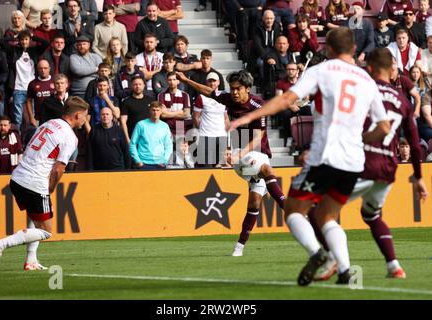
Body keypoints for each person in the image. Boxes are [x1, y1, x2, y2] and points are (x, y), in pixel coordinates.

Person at [227, 27, 391, 285]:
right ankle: (345, 271)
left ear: (327, 50)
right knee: (327, 215)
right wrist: (357, 140)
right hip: (354, 161)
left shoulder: (321, 71)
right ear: (354, 49)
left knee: (293, 210)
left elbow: (287, 99)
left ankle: (318, 254)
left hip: (325, 156)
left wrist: (249, 116)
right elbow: (384, 127)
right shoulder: (366, 80)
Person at [311, 47, 428, 280]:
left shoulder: (362, 91)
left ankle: (333, 258)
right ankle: (394, 266)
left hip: (362, 163)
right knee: (372, 215)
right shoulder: (404, 101)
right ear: (391, 69)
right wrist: (418, 176)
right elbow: (415, 145)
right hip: (388, 167)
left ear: (371, 68)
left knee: (316, 211)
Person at [177, 69, 286, 257]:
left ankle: (239, 247)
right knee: (267, 170)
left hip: (254, 152)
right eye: (232, 89)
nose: (234, 92)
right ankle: (291, 209)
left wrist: (241, 154)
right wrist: (186, 79)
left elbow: (259, 136)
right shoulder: (227, 98)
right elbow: (207, 91)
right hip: (240, 154)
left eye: (238, 89)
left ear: (248, 88)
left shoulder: (257, 106)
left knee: (254, 204)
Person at [0, 96, 89, 272]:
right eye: (85, 116)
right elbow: (58, 170)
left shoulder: (47, 124)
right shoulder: (70, 137)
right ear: (77, 115)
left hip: (18, 177)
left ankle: (31, 260)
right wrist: (49, 189)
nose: (85, 120)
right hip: (35, 182)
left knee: (35, 219)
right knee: (46, 231)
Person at [193, 72, 229, 168]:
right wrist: (203, 129)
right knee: (205, 167)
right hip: (206, 136)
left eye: (214, 81)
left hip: (222, 136)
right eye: (210, 81)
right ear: (206, 83)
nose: (212, 83)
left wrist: (227, 133)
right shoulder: (201, 97)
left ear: (218, 82)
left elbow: (226, 117)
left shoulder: (224, 96)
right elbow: (196, 117)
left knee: (220, 166)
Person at [129, 100, 173, 169]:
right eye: (153, 110)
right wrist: (138, 161)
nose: (155, 112)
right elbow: (132, 144)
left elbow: (169, 145)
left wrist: (165, 160)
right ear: (149, 111)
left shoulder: (165, 126)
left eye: (158, 110)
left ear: (161, 111)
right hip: (143, 163)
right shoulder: (141, 125)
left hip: (160, 163)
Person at [120, 73, 154, 144]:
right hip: (133, 138)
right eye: (135, 84)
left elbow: (155, 118)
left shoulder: (151, 101)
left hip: (149, 138)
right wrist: (127, 139)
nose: (138, 86)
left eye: (140, 84)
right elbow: (123, 122)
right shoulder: (126, 102)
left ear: (144, 85)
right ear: (131, 86)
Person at [157, 71, 190, 137]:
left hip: (180, 126)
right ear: (167, 81)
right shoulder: (161, 95)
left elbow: (186, 114)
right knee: (167, 146)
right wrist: (179, 112)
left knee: (179, 146)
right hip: (166, 125)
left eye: (174, 79)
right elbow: (163, 115)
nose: (172, 82)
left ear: (178, 81)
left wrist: (168, 113)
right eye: (170, 80)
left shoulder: (185, 95)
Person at [26, 59, 54, 128]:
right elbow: (28, 101)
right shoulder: (32, 84)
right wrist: (31, 118)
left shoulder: (55, 81)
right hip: (38, 118)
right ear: (37, 69)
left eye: (45, 68)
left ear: (49, 69)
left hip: (54, 118)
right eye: (41, 68)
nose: (43, 70)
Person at [348, 2, 374, 66]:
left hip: (364, 53)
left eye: (358, 8)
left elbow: (371, 42)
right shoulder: (346, 24)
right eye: (353, 9)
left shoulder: (368, 24)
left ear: (363, 11)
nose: (355, 11)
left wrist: (363, 53)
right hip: (350, 54)